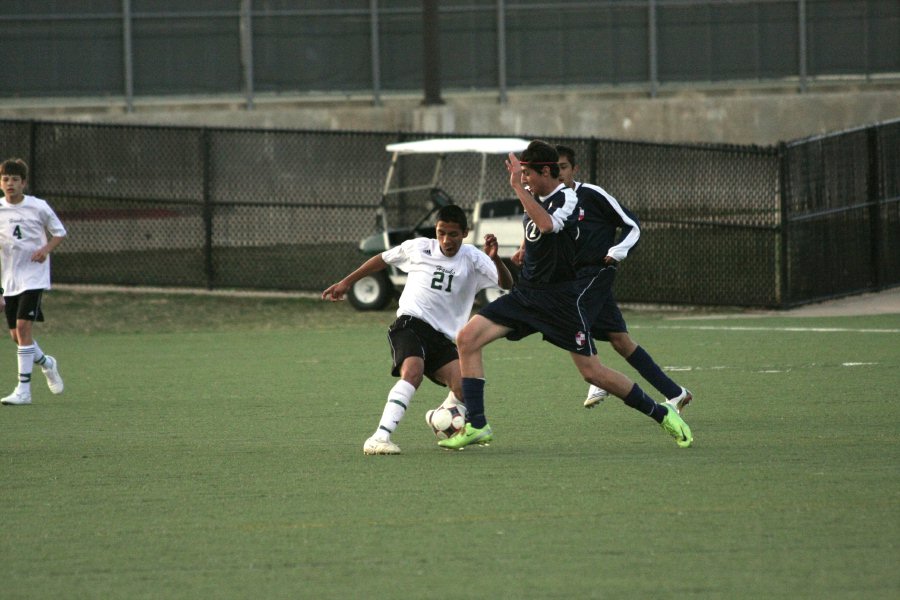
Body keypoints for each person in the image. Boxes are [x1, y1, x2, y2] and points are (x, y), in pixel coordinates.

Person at [440, 140, 692, 450]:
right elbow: (536, 233)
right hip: (526, 296)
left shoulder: (568, 198)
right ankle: (477, 425)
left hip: (560, 302)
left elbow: (546, 225)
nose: (525, 179)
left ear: (546, 171)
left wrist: (517, 188)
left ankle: (662, 413)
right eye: (523, 174)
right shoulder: (534, 196)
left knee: (593, 373)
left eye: (529, 174)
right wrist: (518, 250)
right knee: (466, 339)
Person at [322, 204, 513, 455]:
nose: (446, 239)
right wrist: (346, 282)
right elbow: (381, 259)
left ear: (465, 233)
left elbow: (507, 283)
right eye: (441, 232)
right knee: (413, 371)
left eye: (453, 234)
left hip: (444, 338)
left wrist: (495, 259)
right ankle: (379, 437)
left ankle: (439, 418)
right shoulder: (419, 247)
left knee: (465, 390)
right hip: (410, 323)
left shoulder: (473, 257)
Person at [554, 144, 692, 414]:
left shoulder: (591, 194)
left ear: (574, 169)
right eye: (553, 169)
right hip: (574, 277)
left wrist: (617, 251)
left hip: (598, 269)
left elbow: (632, 223)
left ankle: (598, 377)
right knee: (620, 340)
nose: (558, 173)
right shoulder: (552, 202)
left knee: (573, 313)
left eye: (563, 167)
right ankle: (676, 393)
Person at [0, 158, 66, 406]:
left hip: (34, 277)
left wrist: (45, 249)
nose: (10, 184)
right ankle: (47, 363)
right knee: (17, 337)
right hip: (9, 280)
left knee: (24, 329)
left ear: (24, 183)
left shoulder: (38, 207)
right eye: (6, 179)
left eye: (15, 180)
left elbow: (60, 232)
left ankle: (23, 390)